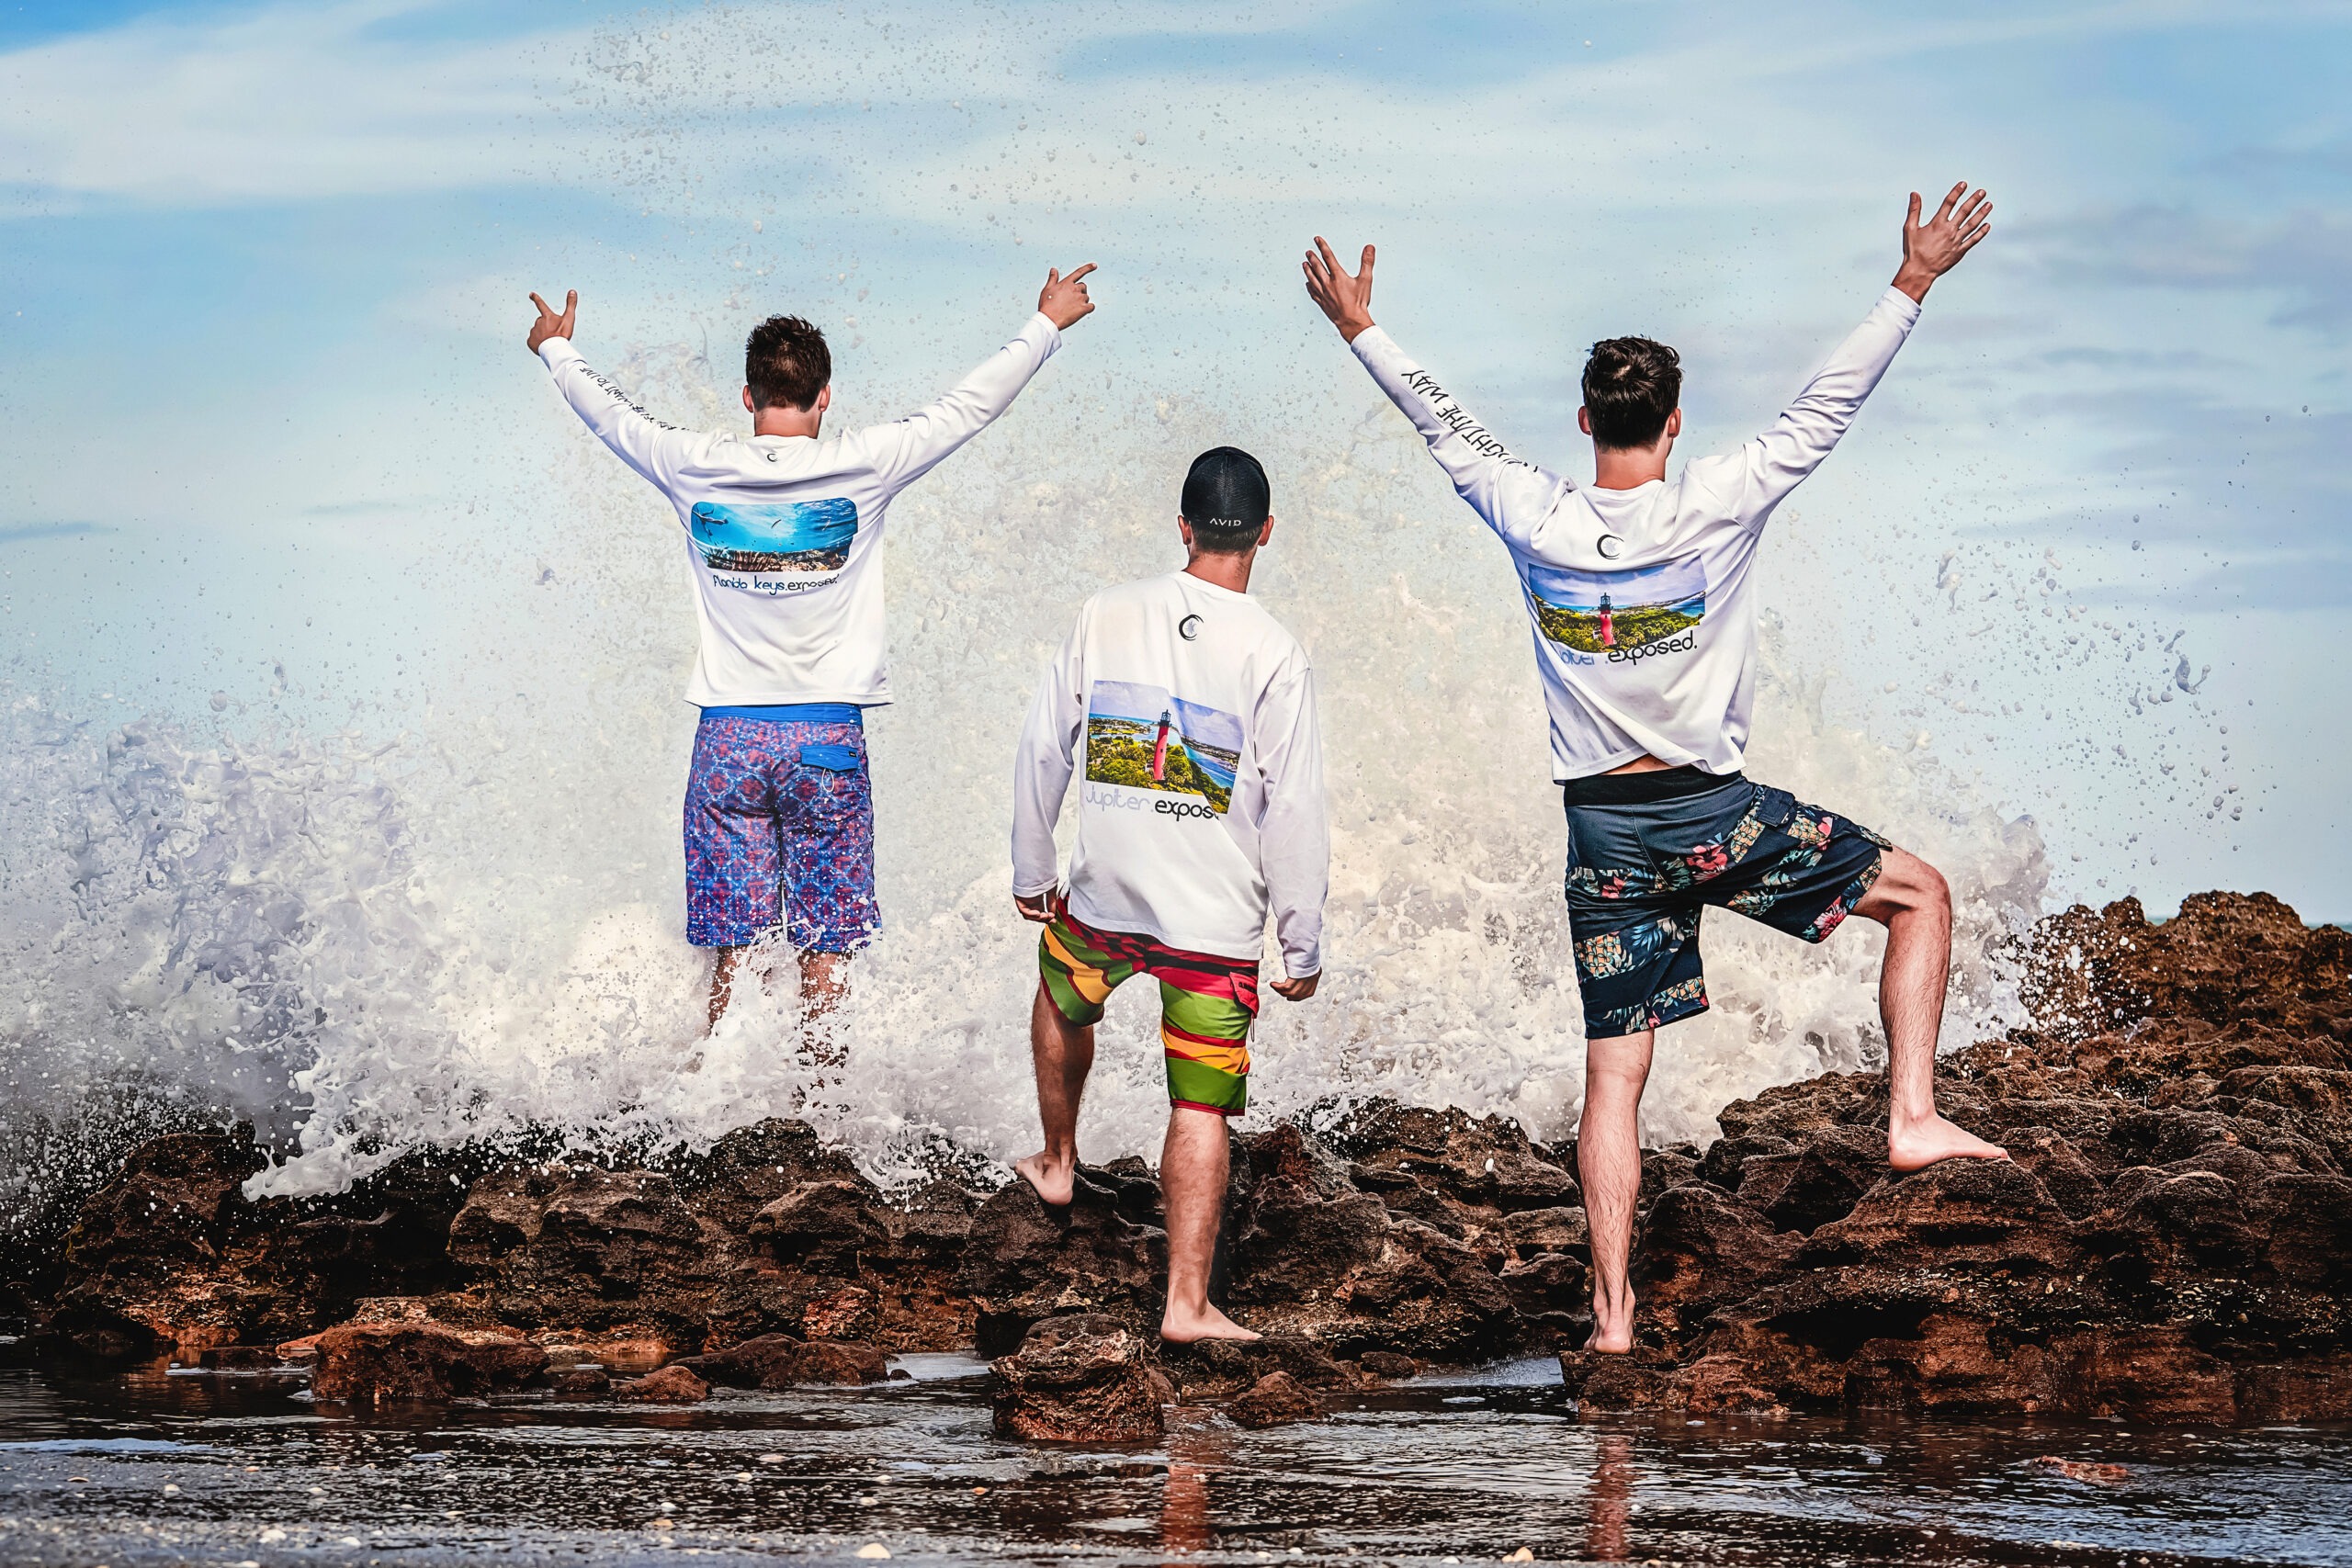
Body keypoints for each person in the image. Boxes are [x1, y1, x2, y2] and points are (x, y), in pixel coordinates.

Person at [1302, 184, 2008, 1355]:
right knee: (1919, 896)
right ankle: (1913, 1116)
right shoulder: (1718, 503)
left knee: (1613, 1085)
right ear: (1672, 424)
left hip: (1604, 839)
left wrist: (1357, 328)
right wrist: (1912, 281)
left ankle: (1613, 1319)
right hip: (1712, 814)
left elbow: (1442, 421)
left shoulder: (1529, 510)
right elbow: (1828, 403)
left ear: (1583, 423)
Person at [525, 265, 1099, 1047]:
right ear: (824, 396)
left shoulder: (691, 463)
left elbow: (610, 416)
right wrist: (1045, 324)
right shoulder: (862, 464)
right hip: (824, 740)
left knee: (734, 949)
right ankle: (823, 1112)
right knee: (826, 948)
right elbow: (967, 408)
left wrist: (559, 351)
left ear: (747, 397)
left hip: (727, 741)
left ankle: (719, 1111)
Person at [1008, 446, 1329, 1344]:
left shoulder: (1104, 612)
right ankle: (1186, 1304)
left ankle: (1059, 1159)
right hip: (1212, 927)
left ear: (1181, 526)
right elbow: (1294, 806)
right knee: (1198, 1105)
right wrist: (1299, 945)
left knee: (1061, 992)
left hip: (1104, 903)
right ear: (1266, 533)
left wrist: (1032, 872)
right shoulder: (1274, 651)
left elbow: (1045, 746)